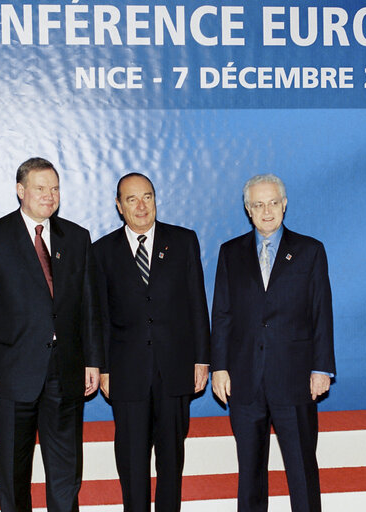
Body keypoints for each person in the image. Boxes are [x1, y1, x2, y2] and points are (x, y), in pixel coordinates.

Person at [0, 157, 103, 512]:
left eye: (55, 188)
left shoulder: (77, 237)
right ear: (20, 190)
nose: (49, 195)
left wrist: (94, 362)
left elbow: (89, 306)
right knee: (13, 473)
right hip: (10, 376)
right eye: (40, 188)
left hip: (66, 373)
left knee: (66, 472)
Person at [211, 174, 335, 512]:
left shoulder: (309, 251)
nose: (267, 211)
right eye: (258, 204)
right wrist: (219, 367)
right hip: (244, 378)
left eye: (273, 203)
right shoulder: (230, 253)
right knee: (250, 472)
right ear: (248, 210)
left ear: (284, 205)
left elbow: (321, 312)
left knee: (301, 470)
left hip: (294, 378)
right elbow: (222, 313)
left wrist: (321, 368)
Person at [93, 173, 210, 512]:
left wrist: (202, 358)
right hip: (126, 373)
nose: (142, 206)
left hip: (174, 370)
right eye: (132, 199)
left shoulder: (183, 241)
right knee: (131, 460)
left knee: (172, 458)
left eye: (147, 196)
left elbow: (197, 304)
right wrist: (103, 368)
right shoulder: (102, 251)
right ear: (119, 206)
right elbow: (99, 316)